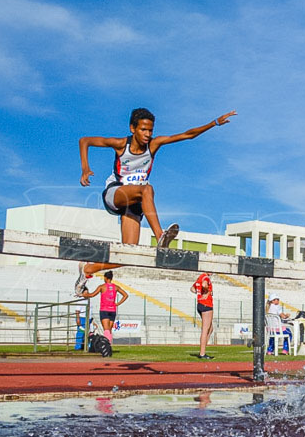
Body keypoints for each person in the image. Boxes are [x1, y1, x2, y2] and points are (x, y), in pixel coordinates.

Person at [75, 107, 236, 295]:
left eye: (150, 130)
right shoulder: (120, 144)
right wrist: (85, 169)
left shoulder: (154, 145)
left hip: (135, 202)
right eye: (143, 130)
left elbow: (187, 135)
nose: (147, 134)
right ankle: (160, 236)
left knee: (128, 254)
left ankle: (88, 269)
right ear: (132, 128)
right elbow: (84, 141)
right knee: (147, 189)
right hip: (116, 192)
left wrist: (214, 123)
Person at [81, 271, 128, 347]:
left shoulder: (102, 286)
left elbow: (92, 295)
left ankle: (106, 346)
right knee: (109, 330)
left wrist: (85, 295)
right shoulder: (115, 287)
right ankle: (108, 345)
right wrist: (117, 303)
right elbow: (125, 295)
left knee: (106, 330)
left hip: (105, 310)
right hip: (112, 310)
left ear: (105, 278)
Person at [191, 272, 214, 360]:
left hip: (200, 304)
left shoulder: (199, 278)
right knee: (205, 329)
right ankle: (202, 353)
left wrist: (199, 293)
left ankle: (203, 348)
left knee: (210, 329)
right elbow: (204, 284)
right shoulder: (205, 278)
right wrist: (207, 291)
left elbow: (192, 289)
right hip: (206, 305)